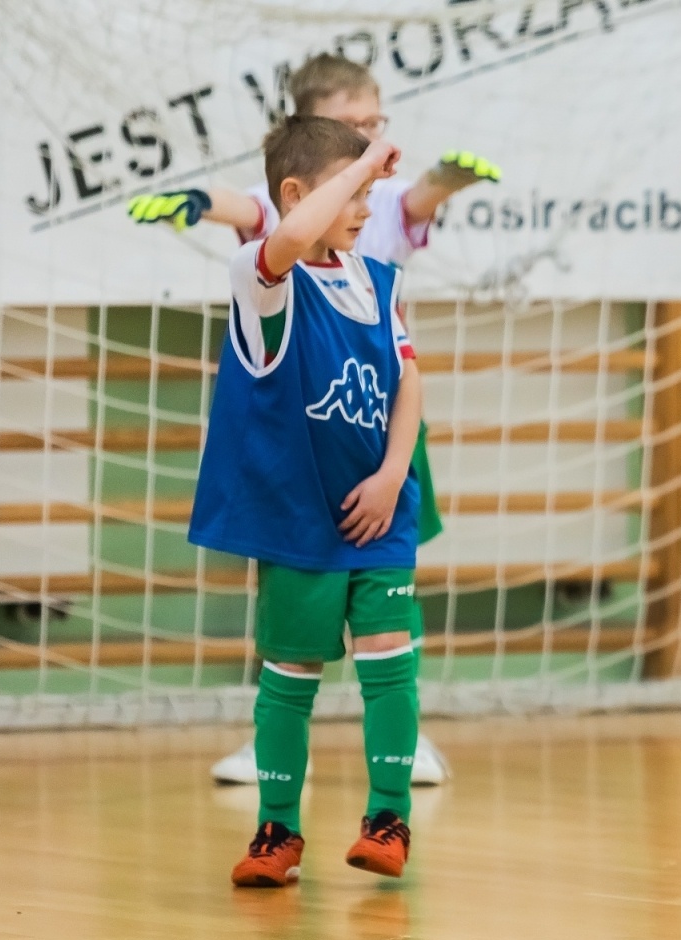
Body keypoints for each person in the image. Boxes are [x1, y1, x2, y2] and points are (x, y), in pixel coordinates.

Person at [130, 54, 501, 788]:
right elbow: (245, 210)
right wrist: (191, 201)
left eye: (375, 124)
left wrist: (449, 179)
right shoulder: (297, 213)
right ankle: (269, 745)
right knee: (292, 587)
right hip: (305, 406)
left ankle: (404, 737)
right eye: (354, 126)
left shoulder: (379, 206)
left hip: (381, 394)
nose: (369, 141)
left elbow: (420, 198)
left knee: (393, 570)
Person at [190, 117, 424, 886]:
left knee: (390, 657)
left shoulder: (377, 281)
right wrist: (358, 173)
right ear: (298, 195)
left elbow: (408, 381)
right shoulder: (262, 279)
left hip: (379, 515)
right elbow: (287, 239)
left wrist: (393, 473)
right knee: (290, 675)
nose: (365, 207)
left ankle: (389, 817)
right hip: (299, 524)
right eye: (347, 190)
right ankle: (278, 830)